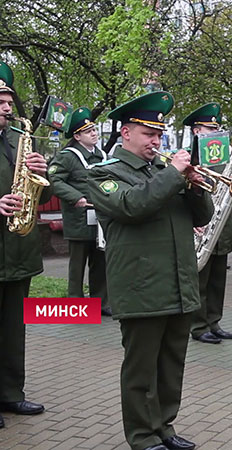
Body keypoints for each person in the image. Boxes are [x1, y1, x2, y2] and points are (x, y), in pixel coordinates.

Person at [88, 91, 213, 450]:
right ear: (125, 133)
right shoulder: (106, 174)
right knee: (141, 369)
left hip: (178, 283)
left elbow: (201, 217)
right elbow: (133, 205)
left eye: (159, 135)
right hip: (140, 286)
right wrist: (175, 175)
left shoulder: (164, 172)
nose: (155, 142)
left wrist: (193, 187)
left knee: (171, 365)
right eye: (148, 134)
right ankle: (142, 434)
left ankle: (164, 427)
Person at [0, 60, 50, 429]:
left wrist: (39, 169)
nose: (6, 106)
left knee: (14, 328)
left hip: (18, 249)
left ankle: (11, 394)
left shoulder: (18, 138)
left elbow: (34, 185)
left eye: (7, 99)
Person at [183, 103, 232, 345]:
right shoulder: (184, 157)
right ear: (196, 131)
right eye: (208, 129)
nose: (214, 133)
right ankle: (198, 325)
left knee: (218, 279)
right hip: (197, 227)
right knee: (200, 279)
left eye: (216, 129)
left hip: (220, 224)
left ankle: (214, 321)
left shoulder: (219, 157)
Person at [48, 107, 110, 315]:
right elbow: (54, 179)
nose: (94, 133)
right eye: (88, 131)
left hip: (100, 217)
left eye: (94, 129)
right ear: (77, 136)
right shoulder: (68, 157)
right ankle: (75, 303)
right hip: (78, 218)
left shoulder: (102, 155)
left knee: (100, 261)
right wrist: (76, 197)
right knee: (77, 264)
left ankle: (101, 302)